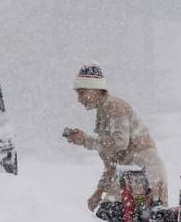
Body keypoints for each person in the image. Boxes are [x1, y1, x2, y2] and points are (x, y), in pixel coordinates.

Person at [64, 62, 169, 211]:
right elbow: (113, 163)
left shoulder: (115, 106)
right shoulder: (103, 113)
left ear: (95, 89)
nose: (79, 99)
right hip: (133, 176)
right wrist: (99, 192)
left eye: (81, 92)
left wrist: (86, 140)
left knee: (111, 214)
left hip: (144, 174)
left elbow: (120, 143)